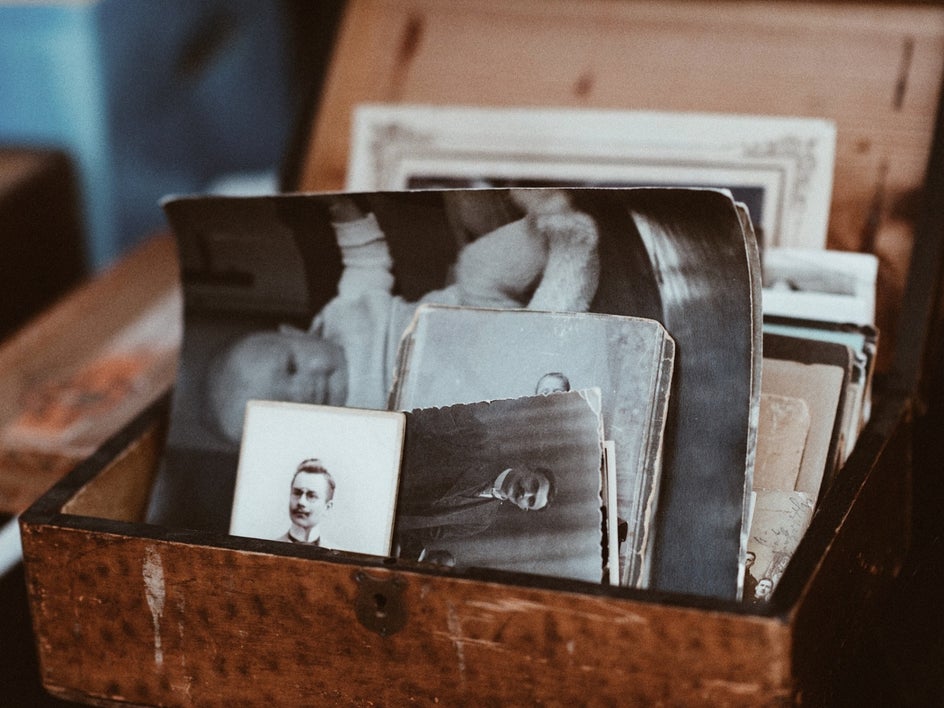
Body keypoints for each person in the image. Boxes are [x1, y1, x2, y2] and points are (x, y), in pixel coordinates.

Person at [204, 189, 601, 444]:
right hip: (475, 379)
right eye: (287, 410)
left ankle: (554, 231)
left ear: (295, 332)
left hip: (469, 307)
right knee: (507, 402)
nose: (304, 390)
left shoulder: (342, 314)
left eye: (291, 368)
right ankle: (563, 292)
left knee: (476, 267)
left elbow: (365, 261)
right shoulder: (350, 428)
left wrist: (345, 213)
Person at [395, 463, 556, 559]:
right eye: (533, 485)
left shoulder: (481, 522)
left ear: (523, 507)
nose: (525, 494)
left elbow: (430, 532)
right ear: (526, 468)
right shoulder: (480, 444)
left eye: (531, 501)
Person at [277, 458, 336, 546]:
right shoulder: (267, 550)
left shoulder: (337, 553)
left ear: (327, 507)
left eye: (311, 496)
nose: (301, 502)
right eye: (297, 493)